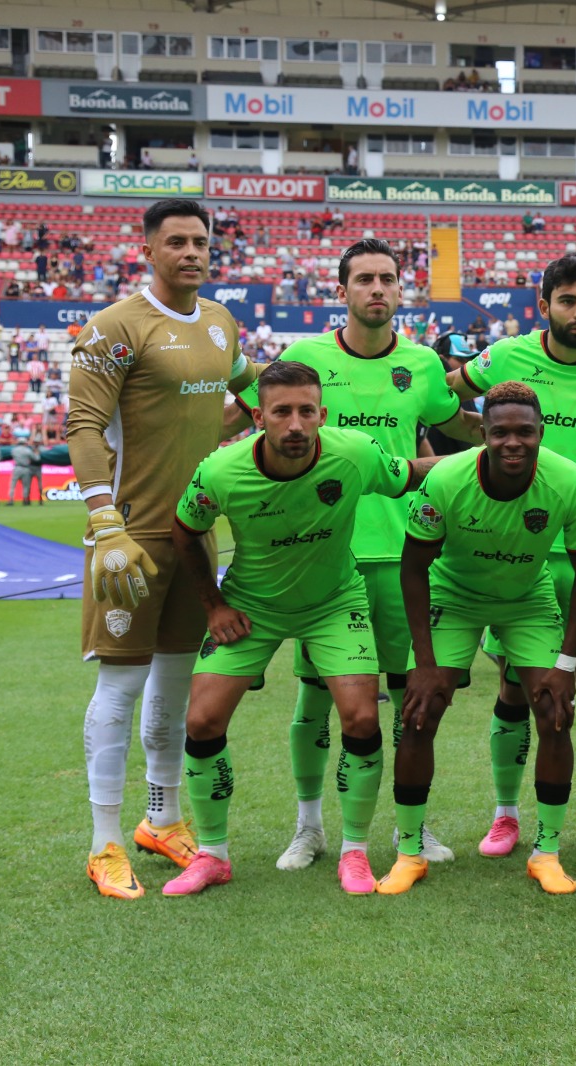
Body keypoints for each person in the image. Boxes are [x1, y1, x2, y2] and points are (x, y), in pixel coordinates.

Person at [231, 238, 482, 871]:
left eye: (388, 279)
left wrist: (533, 422)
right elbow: (260, 423)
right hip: (323, 555)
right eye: (364, 279)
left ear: (402, 291)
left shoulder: (423, 365)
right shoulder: (304, 358)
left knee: (410, 694)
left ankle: (411, 828)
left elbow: (460, 424)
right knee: (315, 696)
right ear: (341, 291)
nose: (377, 289)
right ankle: (308, 826)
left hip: (403, 554)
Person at [161, 360, 430, 897]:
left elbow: (412, 472)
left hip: (334, 602)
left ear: (322, 414)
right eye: (281, 412)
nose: (295, 425)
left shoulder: (353, 453)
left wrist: (487, 454)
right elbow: (184, 530)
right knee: (202, 720)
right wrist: (214, 606)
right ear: (258, 416)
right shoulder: (221, 469)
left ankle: (354, 850)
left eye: (307, 411)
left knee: (358, 718)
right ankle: (213, 854)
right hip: (251, 604)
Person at [67, 199, 259, 900]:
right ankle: (104, 842)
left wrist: (261, 416)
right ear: (149, 249)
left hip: (195, 534)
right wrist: (104, 523)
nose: (191, 252)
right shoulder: (115, 328)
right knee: (119, 686)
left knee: (175, 685)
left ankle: (162, 818)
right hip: (131, 537)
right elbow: (83, 424)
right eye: (176, 241)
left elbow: (249, 395)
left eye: (200, 242)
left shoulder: (219, 322)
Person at [447, 252, 576, 856]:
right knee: (517, 690)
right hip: (519, 557)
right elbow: (446, 397)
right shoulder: (508, 358)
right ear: (544, 306)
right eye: (568, 301)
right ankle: (506, 813)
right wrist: (476, 449)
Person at [386, 382, 576, 897]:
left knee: (553, 710)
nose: (513, 442)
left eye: (524, 432)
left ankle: (546, 852)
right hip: (454, 595)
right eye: (500, 432)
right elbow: (414, 568)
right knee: (421, 710)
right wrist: (424, 661)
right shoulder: (447, 479)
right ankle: (409, 852)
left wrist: (566, 662)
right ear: (481, 434)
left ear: (541, 433)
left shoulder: (569, 481)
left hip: (527, 598)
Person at [9, 437, 40, 505]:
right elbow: (36, 459)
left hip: (17, 467)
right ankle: (25, 500)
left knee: (12, 485)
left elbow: (11, 456)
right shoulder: (27, 450)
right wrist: (37, 453)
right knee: (26, 485)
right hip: (25, 468)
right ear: (25, 443)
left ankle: (11, 500)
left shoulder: (14, 450)